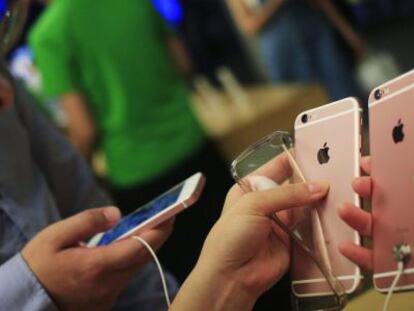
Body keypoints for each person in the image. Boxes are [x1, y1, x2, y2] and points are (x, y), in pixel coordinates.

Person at [29, 0, 232, 281]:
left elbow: (84, 129)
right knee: (245, 251)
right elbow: (183, 62)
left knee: (199, 283)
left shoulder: (48, 34)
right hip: (196, 149)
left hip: (141, 178)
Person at [226, 0, 364, 101]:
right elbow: (248, 27)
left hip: (315, 33)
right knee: (305, 104)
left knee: (343, 90)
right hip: (282, 51)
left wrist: (346, 31)